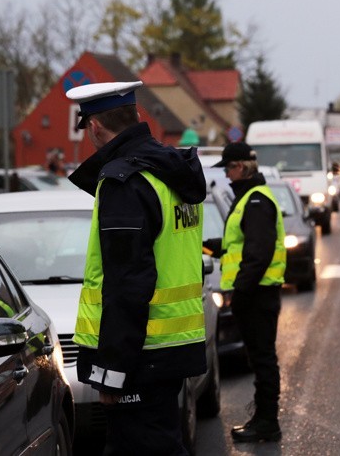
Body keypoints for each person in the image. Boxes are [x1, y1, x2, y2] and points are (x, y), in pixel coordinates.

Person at [66, 80, 207, 455]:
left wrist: (112, 373)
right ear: (137, 116)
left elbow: (127, 284)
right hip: (170, 350)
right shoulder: (171, 172)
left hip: (141, 357)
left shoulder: (125, 182)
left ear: (95, 127)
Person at [203, 141, 286, 443]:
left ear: (241, 167)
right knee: (260, 358)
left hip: (258, 296)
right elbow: (242, 245)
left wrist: (240, 294)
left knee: (263, 360)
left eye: (228, 168)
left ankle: (267, 423)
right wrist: (214, 245)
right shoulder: (250, 198)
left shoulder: (255, 201)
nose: (226, 174)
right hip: (257, 295)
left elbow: (258, 256)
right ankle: (263, 419)